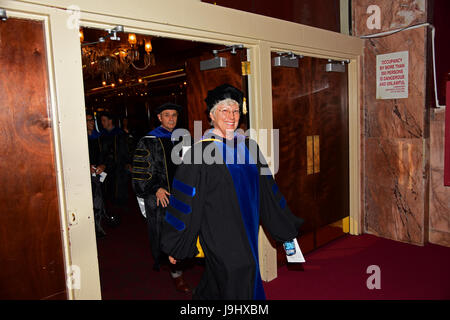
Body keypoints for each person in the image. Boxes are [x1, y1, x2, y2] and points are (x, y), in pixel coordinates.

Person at [160, 84, 304, 300]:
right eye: (224, 110)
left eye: (235, 111)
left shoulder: (250, 148)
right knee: (240, 274)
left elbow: (269, 193)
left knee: (224, 280)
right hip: (219, 233)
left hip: (247, 229)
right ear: (211, 115)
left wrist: (285, 232)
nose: (232, 116)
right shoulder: (198, 152)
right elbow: (185, 201)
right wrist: (177, 243)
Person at [131, 103, 191, 294]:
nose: (171, 119)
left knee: (184, 231)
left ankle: (181, 263)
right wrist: (155, 188)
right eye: (167, 115)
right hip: (161, 197)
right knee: (167, 234)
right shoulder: (148, 141)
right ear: (159, 118)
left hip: (182, 195)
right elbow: (140, 173)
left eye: (174, 115)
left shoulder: (183, 138)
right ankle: (176, 273)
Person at [99, 112, 132, 218]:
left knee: (120, 188)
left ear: (110, 121)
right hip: (107, 167)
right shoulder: (102, 135)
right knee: (109, 190)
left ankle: (122, 214)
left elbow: (126, 150)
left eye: (104, 120)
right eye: (101, 120)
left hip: (119, 166)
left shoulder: (120, 134)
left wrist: (128, 162)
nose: (102, 123)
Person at [86, 112, 107, 237]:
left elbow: (106, 154)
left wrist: (103, 165)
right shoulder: (79, 139)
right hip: (85, 174)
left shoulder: (100, 137)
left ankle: (97, 225)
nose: (91, 123)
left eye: (92, 120)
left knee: (98, 199)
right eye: (88, 120)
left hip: (98, 172)